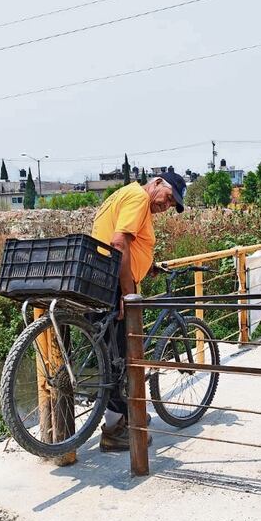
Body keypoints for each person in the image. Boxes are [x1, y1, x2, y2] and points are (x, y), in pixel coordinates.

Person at [90, 170, 186, 451]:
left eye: (172, 205)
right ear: (157, 183)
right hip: (113, 286)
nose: (166, 206)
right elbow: (118, 242)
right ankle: (113, 431)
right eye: (169, 198)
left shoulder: (124, 194)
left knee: (114, 353)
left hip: (100, 278)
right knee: (122, 358)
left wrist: (147, 266)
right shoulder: (138, 199)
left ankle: (129, 415)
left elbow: (127, 242)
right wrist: (129, 293)